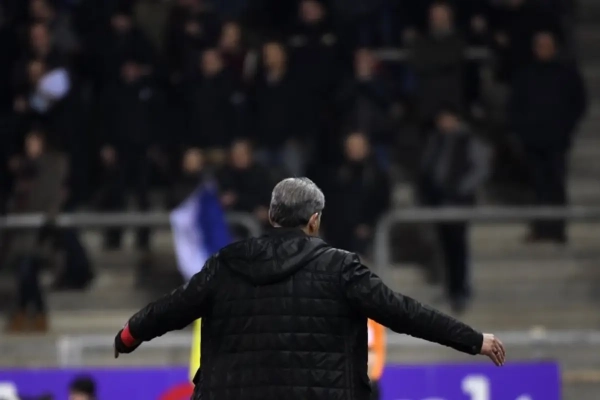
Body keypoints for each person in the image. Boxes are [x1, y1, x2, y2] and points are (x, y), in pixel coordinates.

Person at [114, 177, 506, 400]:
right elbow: (406, 314)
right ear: (315, 220)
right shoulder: (341, 268)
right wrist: (474, 340)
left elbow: (172, 308)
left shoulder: (225, 264)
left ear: (272, 216)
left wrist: (130, 334)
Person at [509, 31, 586, 243]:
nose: (544, 50)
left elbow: (579, 103)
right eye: (540, 46)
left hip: (557, 140)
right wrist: (522, 131)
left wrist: (566, 127)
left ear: (555, 48)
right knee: (538, 186)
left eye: (548, 45)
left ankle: (558, 229)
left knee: (557, 185)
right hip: (533, 141)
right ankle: (541, 228)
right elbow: (515, 106)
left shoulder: (567, 74)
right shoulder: (525, 74)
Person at [419, 108, 490, 313]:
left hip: (459, 203)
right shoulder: (435, 140)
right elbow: (428, 166)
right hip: (439, 201)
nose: (443, 123)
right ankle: (450, 288)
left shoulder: (468, 140)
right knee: (445, 247)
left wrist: (460, 188)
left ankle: (461, 291)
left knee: (458, 247)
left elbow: (480, 169)